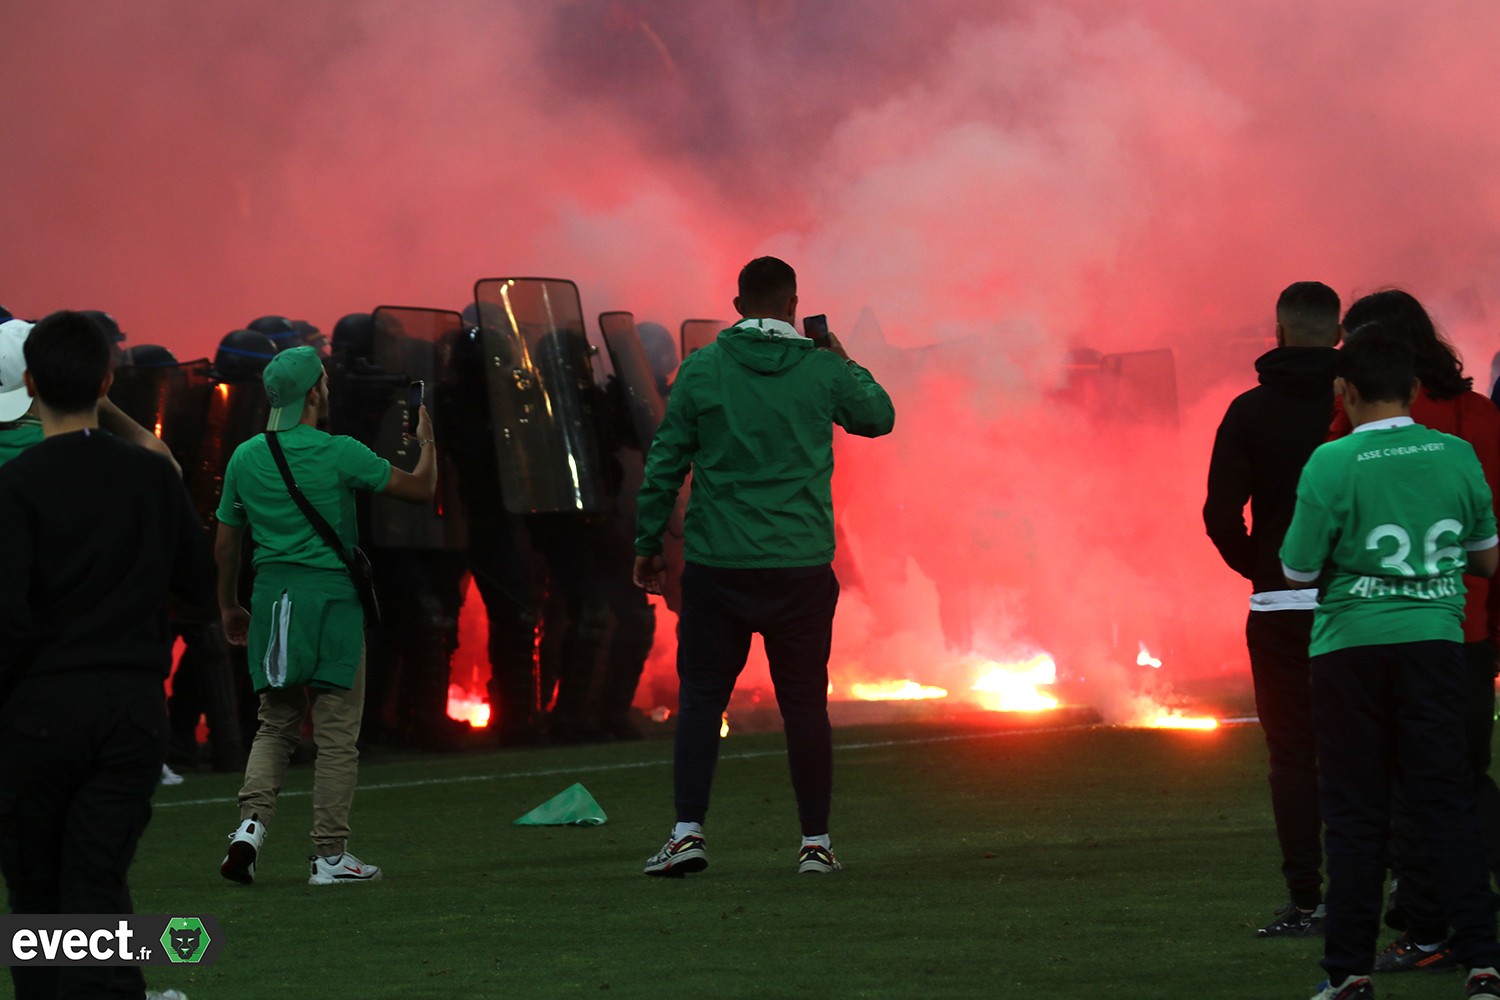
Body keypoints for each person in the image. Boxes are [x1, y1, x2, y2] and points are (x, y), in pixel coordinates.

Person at [633, 256, 895, 876]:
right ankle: (816, 845)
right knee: (805, 706)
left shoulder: (702, 369)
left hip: (718, 565)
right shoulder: (820, 367)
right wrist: (841, 356)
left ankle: (687, 833)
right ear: (792, 304)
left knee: (701, 702)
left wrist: (647, 544)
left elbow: (664, 465)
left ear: (737, 305)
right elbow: (878, 416)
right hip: (800, 565)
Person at [1281, 322, 1500, 1000]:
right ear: (1412, 388)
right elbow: (1489, 559)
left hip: (1351, 651)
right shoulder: (1456, 453)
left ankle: (1348, 971)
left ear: (1343, 390)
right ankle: (1484, 962)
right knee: (1446, 804)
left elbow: (1295, 569)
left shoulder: (1332, 461)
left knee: (1354, 811)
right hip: (1436, 646)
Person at [0, 311, 213, 1000]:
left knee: (37, 893)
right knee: (97, 879)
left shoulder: (16, 486)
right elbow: (201, 589)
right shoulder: (151, 480)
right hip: (131, 711)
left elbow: (6, 618)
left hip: (37, 709)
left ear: (30, 383)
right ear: (107, 379)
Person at [215, 346, 436, 886]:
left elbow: (226, 543)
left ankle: (249, 829)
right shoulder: (340, 451)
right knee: (336, 733)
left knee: (276, 724)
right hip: (332, 602)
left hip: (272, 599)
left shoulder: (244, 456)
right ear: (314, 392)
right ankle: (330, 857)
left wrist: (228, 604)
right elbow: (421, 488)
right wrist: (426, 438)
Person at [1203, 281, 1341, 936]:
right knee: (1370, 747)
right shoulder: (1363, 408)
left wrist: (1265, 570)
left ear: (1278, 333)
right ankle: (1384, 893)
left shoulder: (1248, 411)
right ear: (1339, 335)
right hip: (1362, 602)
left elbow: (1220, 516)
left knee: (1291, 753)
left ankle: (1307, 899)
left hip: (1283, 606)